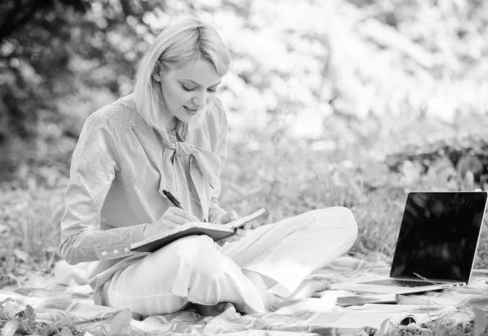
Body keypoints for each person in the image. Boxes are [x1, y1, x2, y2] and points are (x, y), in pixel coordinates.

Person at [59, 16, 358, 317]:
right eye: (189, 87)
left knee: (339, 221)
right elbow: (73, 243)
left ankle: (231, 288)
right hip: (133, 276)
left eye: (212, 89)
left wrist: (223, 221)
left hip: (208, 256)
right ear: (158, 71)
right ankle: (260, 298)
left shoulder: (212, 116)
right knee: (193, 255)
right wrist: (148, 232)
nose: (200, 102)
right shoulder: (108, 126)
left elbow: (206, 203)